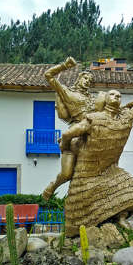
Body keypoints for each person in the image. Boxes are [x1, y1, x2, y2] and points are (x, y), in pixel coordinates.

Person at [62, 90, 133, 235]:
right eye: (112, 95)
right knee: (80, 201)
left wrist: (121, 108)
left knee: (126, 182)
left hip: (109, 168)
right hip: (86, 171)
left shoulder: (124, 119)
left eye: (119, 96)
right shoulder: (93, 119)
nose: (117, 97)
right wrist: (66, 147)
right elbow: (67, 134)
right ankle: (82, 232)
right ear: (104, 100)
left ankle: (120, 218)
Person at [41, 57, 106, 199]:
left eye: (90, 80)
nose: (88, 81)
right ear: (79, 79)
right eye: (85, 78)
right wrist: (64, 65)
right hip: (75, 133)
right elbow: (48, 75)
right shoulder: (68, 93)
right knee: (66, 174)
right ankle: (52, 186)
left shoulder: (94, 99)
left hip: (91, 132)